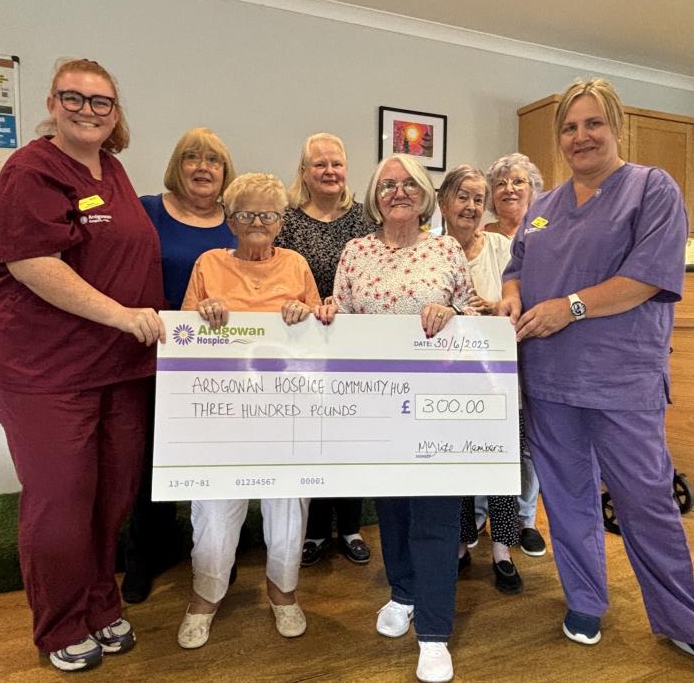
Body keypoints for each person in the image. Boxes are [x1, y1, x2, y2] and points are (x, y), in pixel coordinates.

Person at [500, 78, 694, 683]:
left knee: (646, 502)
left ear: (617, 128)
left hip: (621, 379)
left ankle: (688, 625)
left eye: (593, 124)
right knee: (566, 500)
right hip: (550, 379)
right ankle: (586, 601)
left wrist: (571, 306)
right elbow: (515, 267)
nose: (581, 136)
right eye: (570, 127)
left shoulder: (652, 189)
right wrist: (512, 296)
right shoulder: (541, 209)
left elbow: (647, 275)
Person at [0, 58, 165, 672]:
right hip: (46, 369)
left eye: (101, 102)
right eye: (75, 98)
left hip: (121, 367)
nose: (88, 110)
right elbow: (35, 263)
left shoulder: (110, 168)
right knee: (60, 501)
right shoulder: (29, 170)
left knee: (111, 498)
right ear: (52, 103)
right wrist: (120, 314)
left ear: (116, 114)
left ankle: (100, 604)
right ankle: (60, 625)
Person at [320, 154, 473, 683]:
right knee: (391, 512)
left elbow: (474, 316)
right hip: (376, 409)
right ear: (374, 196)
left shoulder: (446, 248)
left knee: (433, 515)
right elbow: (338, 313)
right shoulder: (355, 251)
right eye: (387, 184)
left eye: (409, 183)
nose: (398, 191)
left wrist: (453, 314)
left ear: (425, 193)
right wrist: (322, 313)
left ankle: (433, 633)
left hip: (437, 409)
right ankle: (403, 593)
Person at [177, 172, 321, 649]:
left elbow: (322, 329)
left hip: (286, 410)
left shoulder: (297, 265)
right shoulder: (209, 263)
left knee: (288, 509)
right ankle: (206, 597)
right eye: (245, 214)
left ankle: (283, 592)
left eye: (267, 214)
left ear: (281, 221)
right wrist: (203, 311)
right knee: (214, 510)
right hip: (221, 411)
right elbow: (183, 333)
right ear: (230, 220)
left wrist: (307, 314)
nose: (257, 222)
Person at [121, 127, 237, 604]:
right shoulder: (148, 210)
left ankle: (212, 558)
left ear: (225, 172)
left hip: (223, 365)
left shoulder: (239, 221)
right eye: (192, 157)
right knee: (152, 459)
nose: (203, 167)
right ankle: (142, 555)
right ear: (177, 165)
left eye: (214, 160)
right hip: (157, 355)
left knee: (209, 461)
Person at [276, 132, 377, 567]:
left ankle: (351, 526)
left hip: (355, 345)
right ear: (304, 172)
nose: (330, 171)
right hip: (304, 345)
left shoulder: (365, 219)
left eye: (336, 163)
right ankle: (316, 531)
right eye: (320, 164)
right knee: (312, 437)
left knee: (350, 437)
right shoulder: (287, 220)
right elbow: (278, 273)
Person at [436, 164, 524, 594]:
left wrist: (496, 306)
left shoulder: (501, 246)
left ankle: (503, 549)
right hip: (446, 379)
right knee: (455, 462)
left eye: (477, 198)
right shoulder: (429, 250)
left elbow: (518, 298)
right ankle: (460, 542)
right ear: (443, 203)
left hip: (497, 378)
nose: (470, 206)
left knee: (500, 463)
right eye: (462, 196)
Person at [484, 152, 548, 558]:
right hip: (490, 353)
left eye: (518, 182)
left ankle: (525, 520)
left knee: (529, 442)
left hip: (537, 346)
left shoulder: (547, 231)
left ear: (534, 189)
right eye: (502, 183)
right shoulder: (479, 232)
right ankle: (480, 517)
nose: (509, 189)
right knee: (489, 436)